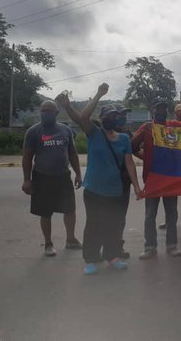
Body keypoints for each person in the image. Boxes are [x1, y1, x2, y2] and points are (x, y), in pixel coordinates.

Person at [56, 84, 142, 275]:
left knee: (113, 225)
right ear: (102, 119)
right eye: (108, 116)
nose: (112, 119)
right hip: (94, 189)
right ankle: (91, 259)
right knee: (94, 224)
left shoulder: (123, 139)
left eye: (115, 117)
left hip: (115, 190)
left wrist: (136, 187)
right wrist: (99, 94)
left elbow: (129, 163)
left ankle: (112, 257)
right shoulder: (94, 134)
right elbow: (83, 118)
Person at [21, 100, 83, 257]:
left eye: (49, 111)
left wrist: (78, 174)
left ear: (56, 113)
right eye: (43, 110)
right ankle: (48, 243)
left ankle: (70, 239)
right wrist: (27, 180)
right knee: (45, 212)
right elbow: (27, 157)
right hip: (42, 177)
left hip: (63, 176)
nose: (45, 113)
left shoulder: (66, 131)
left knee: (70, 209)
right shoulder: (33, 132)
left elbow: (73, 154)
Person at [132, 95, 181, 260]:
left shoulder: (173, 125)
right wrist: (145, 156)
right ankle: (150, 247)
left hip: (170, 178)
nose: (161, 111)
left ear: (168, 111)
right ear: (152, 111)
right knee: (150, 215)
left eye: (164, 108)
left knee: (172, 214)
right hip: (152, 178)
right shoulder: (146, 127)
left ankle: (172, 245)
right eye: (158, 108)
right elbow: (131, 147)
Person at [114, 104, 132, 259]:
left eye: (125, 115)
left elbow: (131, 156)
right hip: (107, 180)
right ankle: (104, 247)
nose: (123, 117)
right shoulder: (104, 132)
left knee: (120, 217)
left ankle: (117, 247)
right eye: (120, 115)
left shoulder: (127, 133)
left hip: (124, 180)